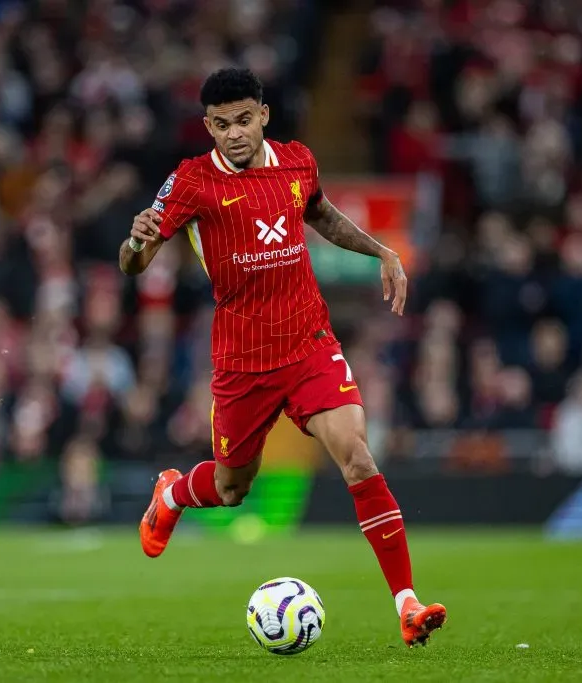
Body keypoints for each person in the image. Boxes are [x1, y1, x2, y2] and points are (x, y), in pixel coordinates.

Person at [119, 68, 446, 647]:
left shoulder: (298, 161)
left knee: (359, 460)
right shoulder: (191, 182)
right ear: (208, 127)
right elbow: (134, 262)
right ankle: (170, 493)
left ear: (263, 115)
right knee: (230, 489)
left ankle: (407, 603)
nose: (234, 134)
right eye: (221, 125)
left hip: (309, 345)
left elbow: (320, 214)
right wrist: (136, 242)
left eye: (244, 120)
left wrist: (381, 251)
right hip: (243, 360)